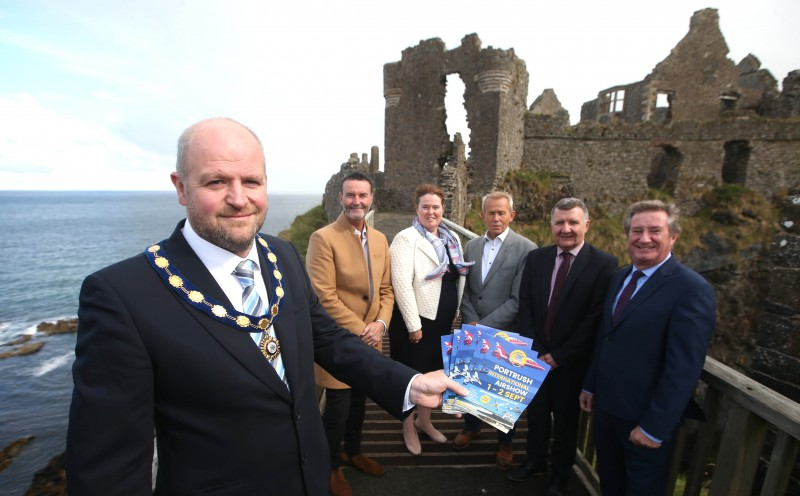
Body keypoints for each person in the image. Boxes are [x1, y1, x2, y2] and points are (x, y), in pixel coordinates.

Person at [65, 117, 467, 496]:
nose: (239, 199)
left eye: (251, 181)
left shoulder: (282, 254)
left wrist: (408, 383)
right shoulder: (122, 295)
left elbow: (326, 338)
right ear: (181, 187)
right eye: (216, 181)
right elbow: (109, 468)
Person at [579, 200, 716, 495]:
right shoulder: (620, 278)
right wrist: (590, 385)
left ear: (673, 237)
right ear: (627, 236)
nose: (644, 238)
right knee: (611, 483)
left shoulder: (692, 289)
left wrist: (655, 427)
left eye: (655, 230)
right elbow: (606, 336)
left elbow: (684, 367)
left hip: (644, 420)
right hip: (607, 411)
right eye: (636, 231)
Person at [507, 198, 617, 496]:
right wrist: (535, 350)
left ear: (586, 225)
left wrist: (559, 356)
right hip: (535, 356)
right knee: (537, 414)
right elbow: (526, 305)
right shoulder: (537, 258)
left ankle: (559, 476)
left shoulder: (604, 265)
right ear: (551, 224)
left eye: (573, 222)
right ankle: (535, 460)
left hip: (571, 363)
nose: (565, 229)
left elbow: (594, 319)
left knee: (567, 423)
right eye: (559, 222)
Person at [305, 171, 393, 496]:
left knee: (360, 404)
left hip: (372, 338)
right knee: (337, 411)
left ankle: (353, 452)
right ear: (340, 198)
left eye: (363, 195)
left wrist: (381, 325)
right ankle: (331, 467)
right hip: (338, 342)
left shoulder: (381, 239)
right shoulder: (323, 238)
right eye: (351, 195)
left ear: (372, 199)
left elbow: (386, 289)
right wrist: (361, 330)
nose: (357, 201)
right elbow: (323, 296)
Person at [452, 191, 536, 470]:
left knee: (503, 391)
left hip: (505, 332)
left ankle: (505, 443)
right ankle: (471, 427)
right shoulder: (472, 246)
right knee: (471, 383)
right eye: (491, 213)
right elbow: (464, 290)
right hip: (472, 325)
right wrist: (470, 319)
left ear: (512, 215)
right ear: (482, 215)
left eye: (502, 213)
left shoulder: (526, 248)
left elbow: (517, 299)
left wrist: (482, 327)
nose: (496, 218)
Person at [389, 183, 470, 455]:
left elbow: (458, 277)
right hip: (417, 323)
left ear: (443, 209)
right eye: (426, 206)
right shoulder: (405, 238)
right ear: (417, 208)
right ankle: (407, 426)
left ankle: (424, 421)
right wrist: (414, 325)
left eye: (436, 206)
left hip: (443, 321)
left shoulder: (452, 239)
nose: (431, 211)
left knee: (434, 373)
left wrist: (455, 313)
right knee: (412, 375)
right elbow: (401, 284)